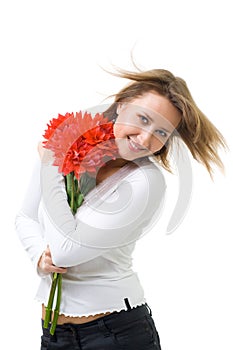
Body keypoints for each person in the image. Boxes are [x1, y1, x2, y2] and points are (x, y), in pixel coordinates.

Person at [15, 68, 226, 350]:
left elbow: (66, 250)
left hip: (114, 335)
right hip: (53, 336)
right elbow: (25, 216)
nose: (145, 140)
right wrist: (40, 256)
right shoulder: (75, 148)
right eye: (143, 119)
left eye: (161, 132)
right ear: (122, 105)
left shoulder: (145, 182)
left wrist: (52, 162)